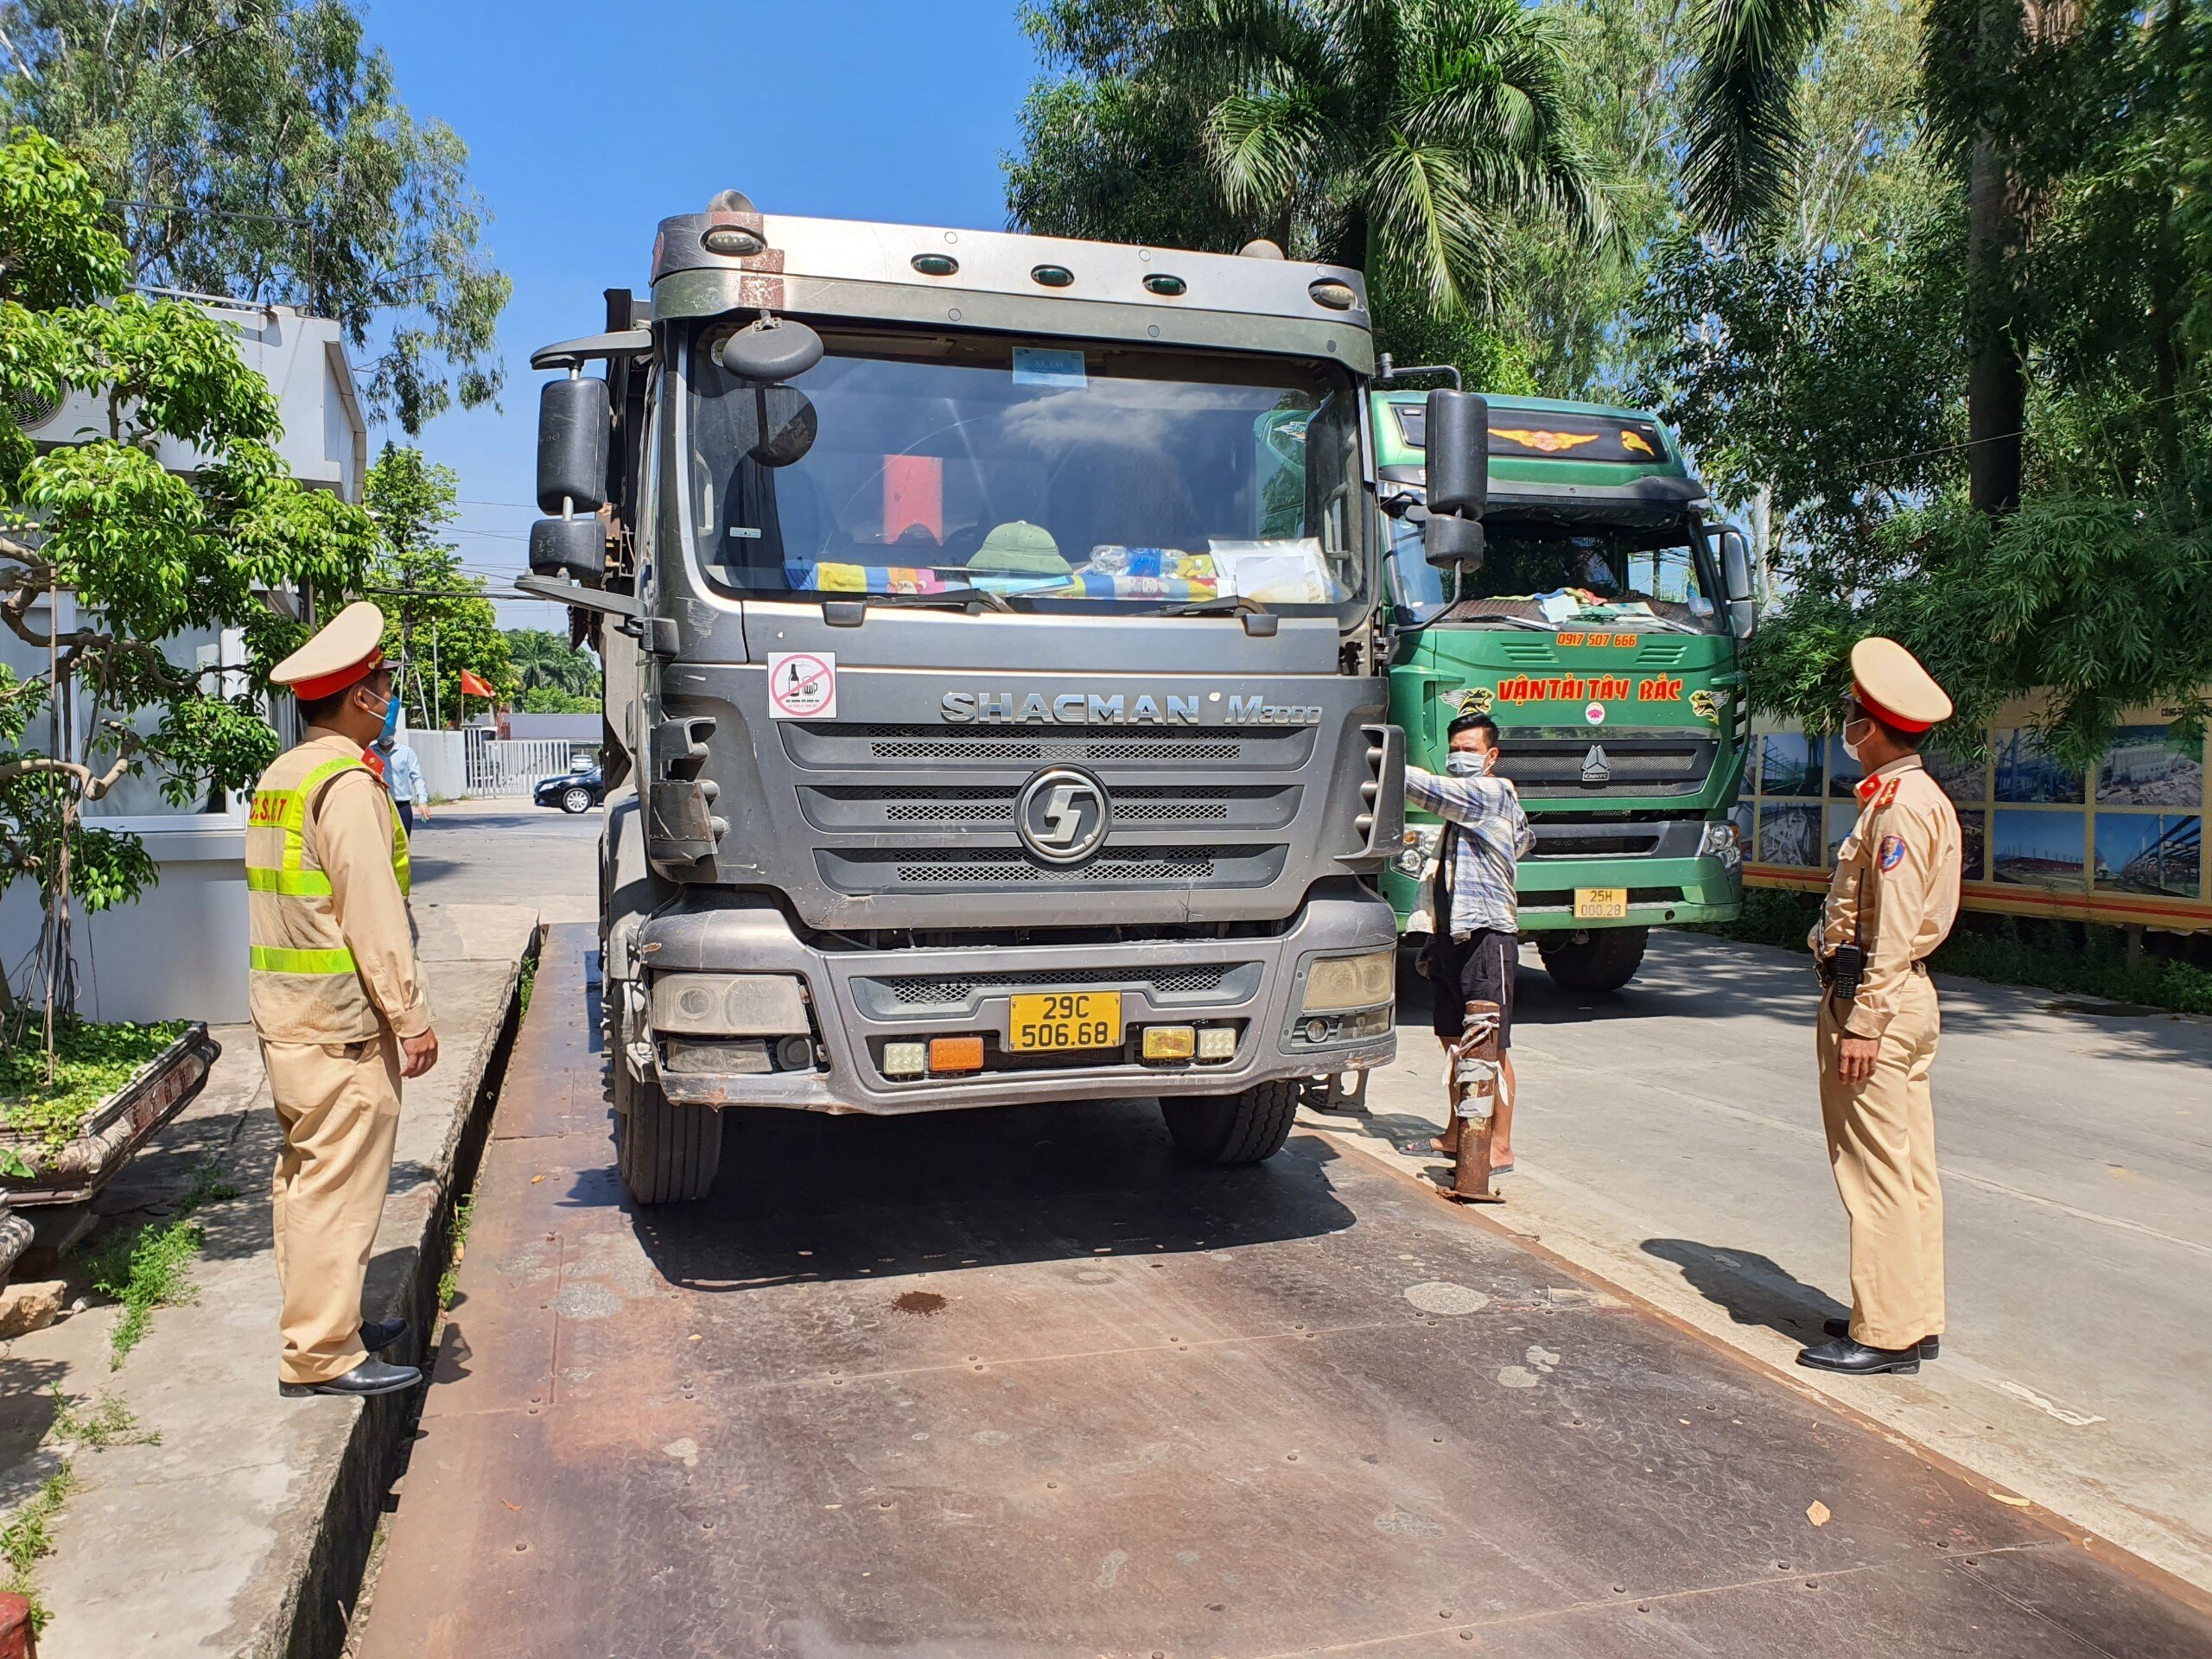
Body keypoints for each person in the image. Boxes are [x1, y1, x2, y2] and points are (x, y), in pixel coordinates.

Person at [251, 601, 440, 1399]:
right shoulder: (348, 788)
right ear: (362, 697)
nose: (391, 694)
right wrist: (411, 1016)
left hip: (288, 1018)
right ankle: (323, 1356)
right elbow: (371, 913)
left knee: (304, 1181)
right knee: (337, 1189)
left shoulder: (283, 777)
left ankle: (325, 1322)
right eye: (387, 683)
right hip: (341, 1026)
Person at [1797, 637, 1962, 1377]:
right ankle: (1908, 1315)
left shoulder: (1897, 811)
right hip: (1902, 997)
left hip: (1878, 1003)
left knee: (1876, 1174)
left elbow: (1891, 929)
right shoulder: (1914, 799)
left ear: (1872, 726)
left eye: (1852, 718)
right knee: (1909, 1169)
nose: (1847, 729)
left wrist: (1862, 1019)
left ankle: (1887, 1335)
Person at [1406, 710, 1535, 1173]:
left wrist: (1372, 758)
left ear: (1492, 756)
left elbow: (1429, 790)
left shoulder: (1491, 792)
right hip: (1450, 932)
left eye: (1471, 750)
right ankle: (1459, 1130)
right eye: (1455, 750)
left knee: (1490, 1045)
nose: (1461, 758)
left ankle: (1498, 1146)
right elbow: (1523, 840)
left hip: (1487, 934)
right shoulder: (1478, 804)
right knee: (1454, 1040)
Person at [378, 730, 429, 835]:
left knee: (404, 843)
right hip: (381, 804)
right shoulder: (370, 752)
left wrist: (423, 801)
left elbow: (417, 777)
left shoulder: (406, 752)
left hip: (402, 805)